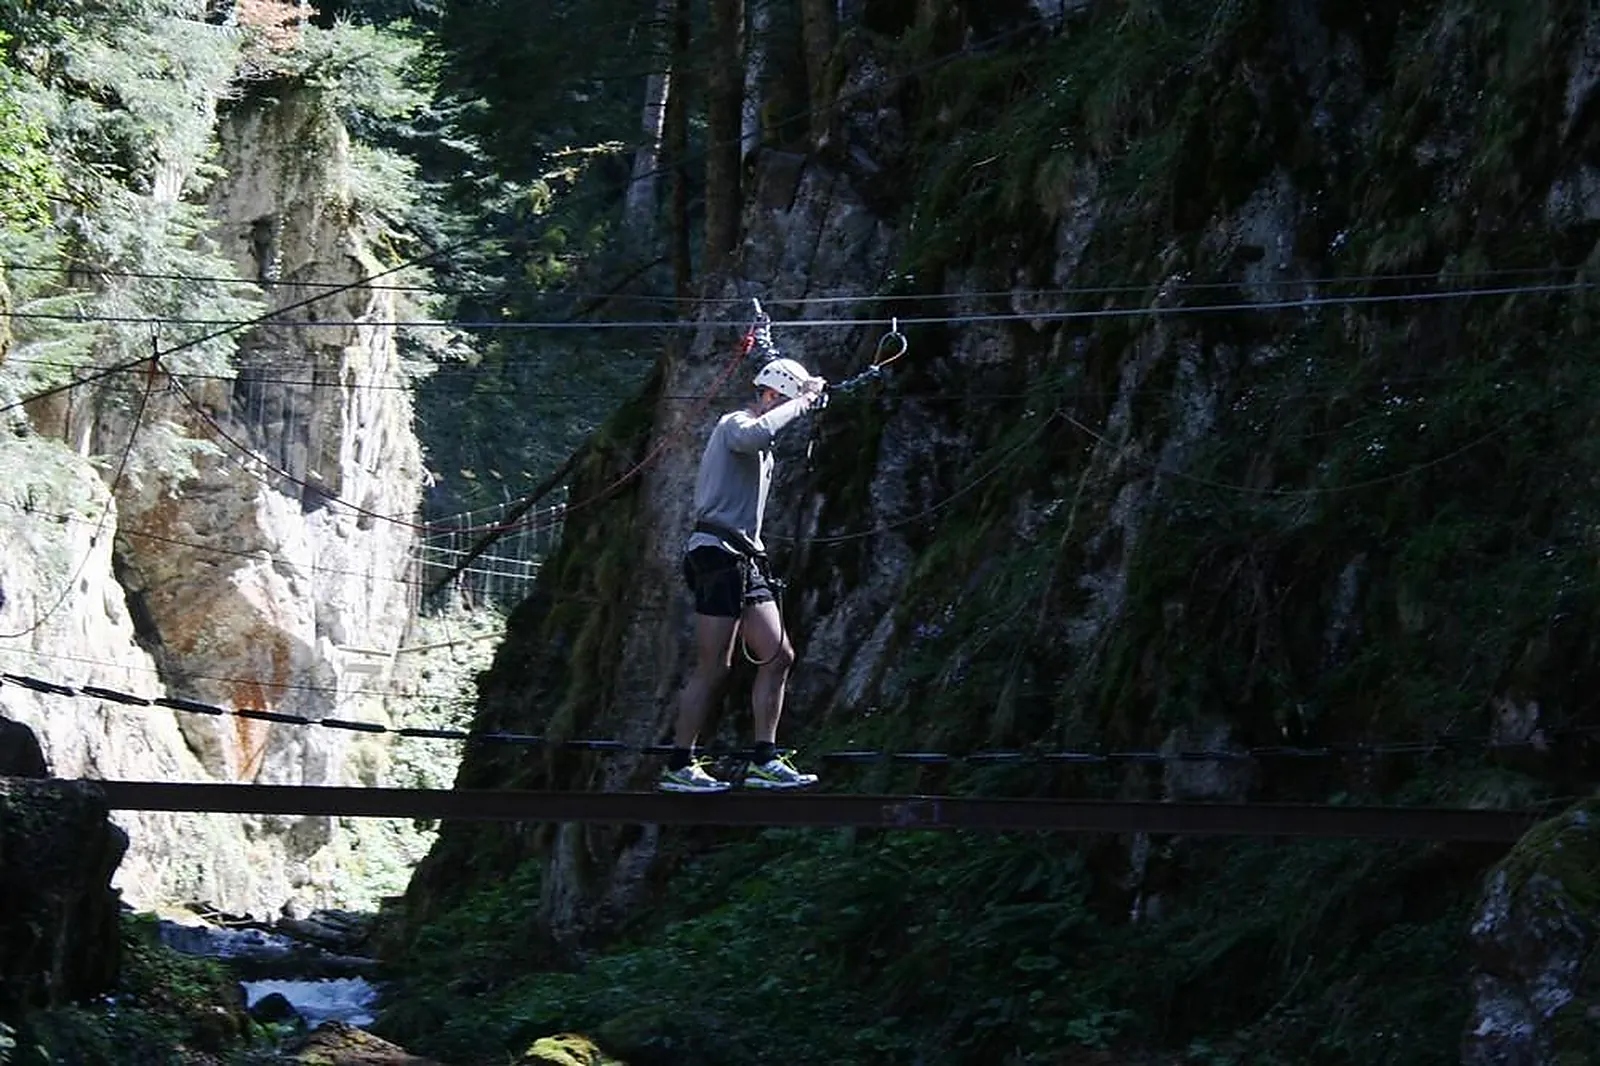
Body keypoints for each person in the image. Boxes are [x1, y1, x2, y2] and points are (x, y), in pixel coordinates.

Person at [659, 356, 827, 793]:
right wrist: (804, 400)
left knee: (779, 656)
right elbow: (756, 435)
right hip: (716, 555)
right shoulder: (735, 423)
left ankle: (764, 760)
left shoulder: (759, 439)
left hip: (745, 558)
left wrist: (809, 394)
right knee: (714, 666)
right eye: (784, 401)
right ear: (771, 395)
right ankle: (680, 764)